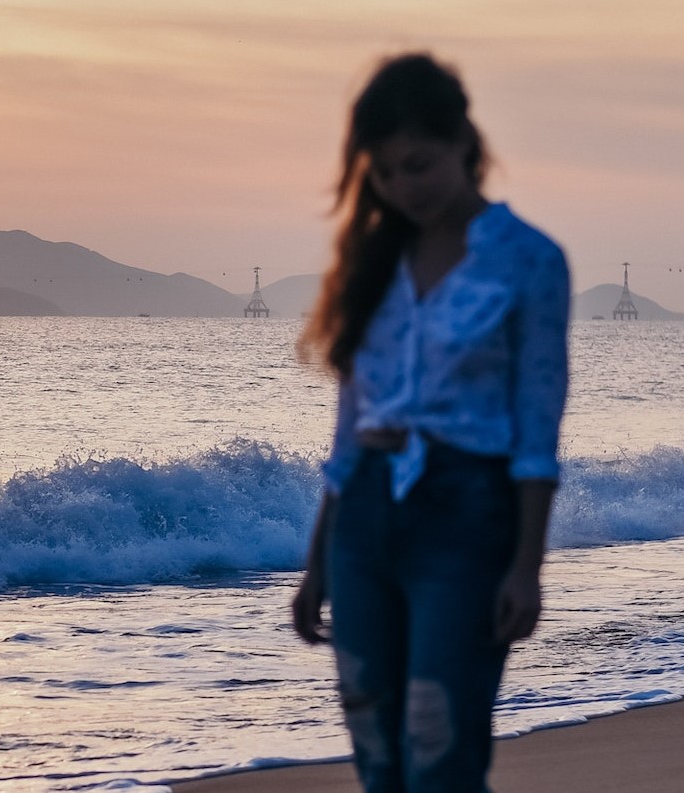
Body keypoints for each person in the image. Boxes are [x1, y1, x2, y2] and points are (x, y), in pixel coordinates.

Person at [291, 52, 570, 793]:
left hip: (466, 512)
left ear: (461, 144)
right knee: (377, 753)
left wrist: (525, 565)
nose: (401, 187)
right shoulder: (373, 261)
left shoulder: (529, 260)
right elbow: (348, 430)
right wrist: (318, 558)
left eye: (416, 164)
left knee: (440, 749)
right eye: (382, 173)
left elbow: (536, 426)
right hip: (363, 516)